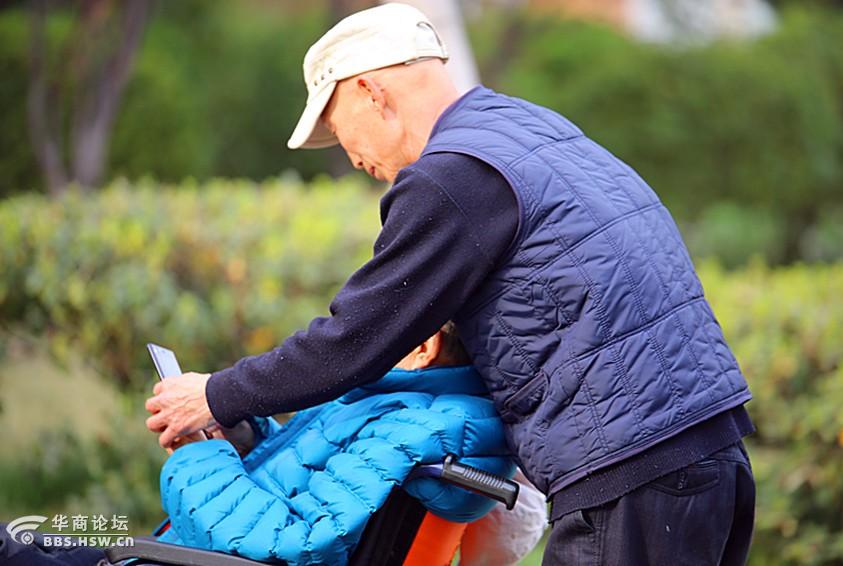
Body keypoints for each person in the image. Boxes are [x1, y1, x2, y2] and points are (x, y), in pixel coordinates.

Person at [145, 4, 756, 563]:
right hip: (711, 453)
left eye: (338, 127)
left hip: (632, 466)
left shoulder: (452, 176)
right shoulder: (531, 130)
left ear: (370, 92)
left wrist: (216, 396)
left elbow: (355, 338)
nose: (353, 158)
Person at [155, 324, 546, 564]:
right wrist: (243, 438)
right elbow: (319, 484)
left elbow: (300, 543)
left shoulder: (411, 430)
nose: (365, 337)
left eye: (385, 324)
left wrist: (198, 458)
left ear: (424, 347)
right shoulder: (404, 406)